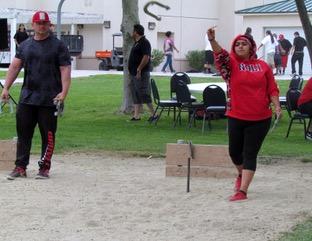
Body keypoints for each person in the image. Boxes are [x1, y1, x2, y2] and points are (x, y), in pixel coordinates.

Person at [207, 27, 281, 202]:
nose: (240, 46)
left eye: (244, 44)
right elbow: (221, 56)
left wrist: (277, 106)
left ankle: (242, 191)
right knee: (234, 152)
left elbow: (272, 88)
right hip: (236, 115)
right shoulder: (231, 65)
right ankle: (241, 174)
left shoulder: (263, 66)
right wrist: (212, 40)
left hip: (260, 118)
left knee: (250, 153)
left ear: (251, 47)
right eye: (237, 44)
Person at [1, 11, 71, 180]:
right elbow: (15, 67)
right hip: (27, 97)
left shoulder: (58, 46)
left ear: (49, 25)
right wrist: (6, 88)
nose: (41, 26)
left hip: (50, 98)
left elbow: (65, 70)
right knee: (23, 132)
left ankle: (44, 167)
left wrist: (64, 92)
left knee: (48, 134)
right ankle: (20, 167)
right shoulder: (25, 45)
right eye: (38, 23)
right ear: (33, 25)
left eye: (44, 23)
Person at [128, 24, 156, 122]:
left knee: (144, 93)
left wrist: (139, 69)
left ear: (136, 32)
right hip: (134, 73)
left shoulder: (144, 42)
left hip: (141, 73)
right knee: (135, 93)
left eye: (133, 31)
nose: (132, 32)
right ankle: (136, 116)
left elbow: (146, 57)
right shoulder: (137, 42)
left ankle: (154, 114)